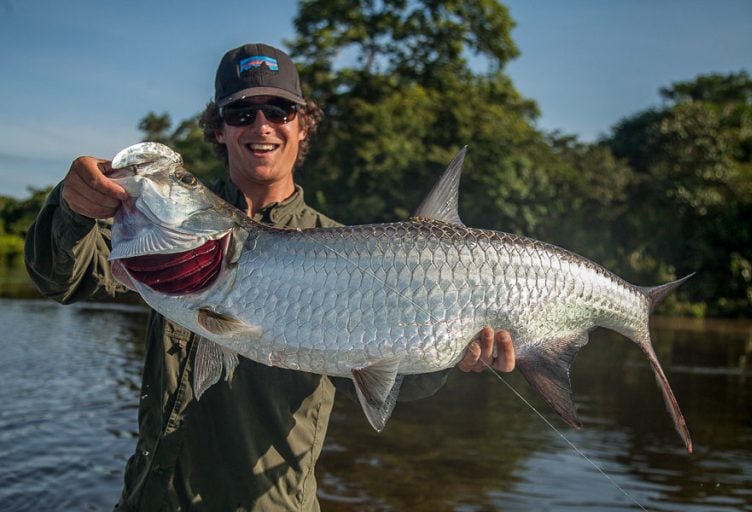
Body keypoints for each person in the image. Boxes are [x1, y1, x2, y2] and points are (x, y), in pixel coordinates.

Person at [24, 43, 516, 511]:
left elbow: (384, 378)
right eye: (241, 113)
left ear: (304, 126)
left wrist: (452, 355)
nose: (261, 125)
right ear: (219, 130)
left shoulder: (351, 248)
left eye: (279, 111)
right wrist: (71, 208)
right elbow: (63, 279)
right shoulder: (161, 228)